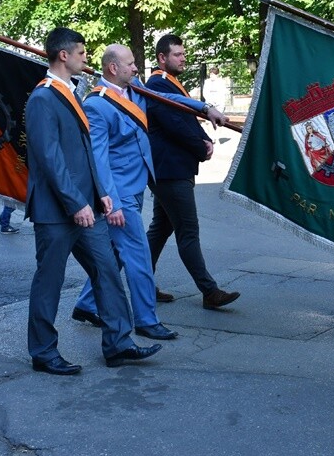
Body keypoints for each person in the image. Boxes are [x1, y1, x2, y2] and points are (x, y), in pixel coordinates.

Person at [24, 27, 161, 374]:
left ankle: (118, 343)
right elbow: (49, 159)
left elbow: (89, 153)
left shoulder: (73, 93)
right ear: (64, 56)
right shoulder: (43, 98)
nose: (87, 59)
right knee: (49, 282)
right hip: (58, 211)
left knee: (107, 271)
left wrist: (102, 194)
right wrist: (76, 203)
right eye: (82, 53)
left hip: (89, 207)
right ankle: (43, 352)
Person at [70, 44, 226, 340]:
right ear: (113, 68)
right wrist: (112, 203)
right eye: (130, 63)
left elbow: (167, 98)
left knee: (117, 252)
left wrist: (205, 109)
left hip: (138, 183)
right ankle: (145, 320)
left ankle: (87, 304)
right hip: (119, 195)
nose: (136, 68)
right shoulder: (97, 104)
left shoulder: (135, 90)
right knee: (139, 255)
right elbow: (99, 159)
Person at [146, 34, 240, 309]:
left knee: (160, 229)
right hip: (170, 171)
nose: (183, 58)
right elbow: (175, 124)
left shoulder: (170, 84)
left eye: (183, 53)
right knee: (187, 231)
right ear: (162, 58)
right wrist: (201, 146)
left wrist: (205, 138)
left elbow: (186, 116)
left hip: (171, 169)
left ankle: (142, 285)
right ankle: (210, 291)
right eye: (178, 54)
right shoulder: (156, 84)